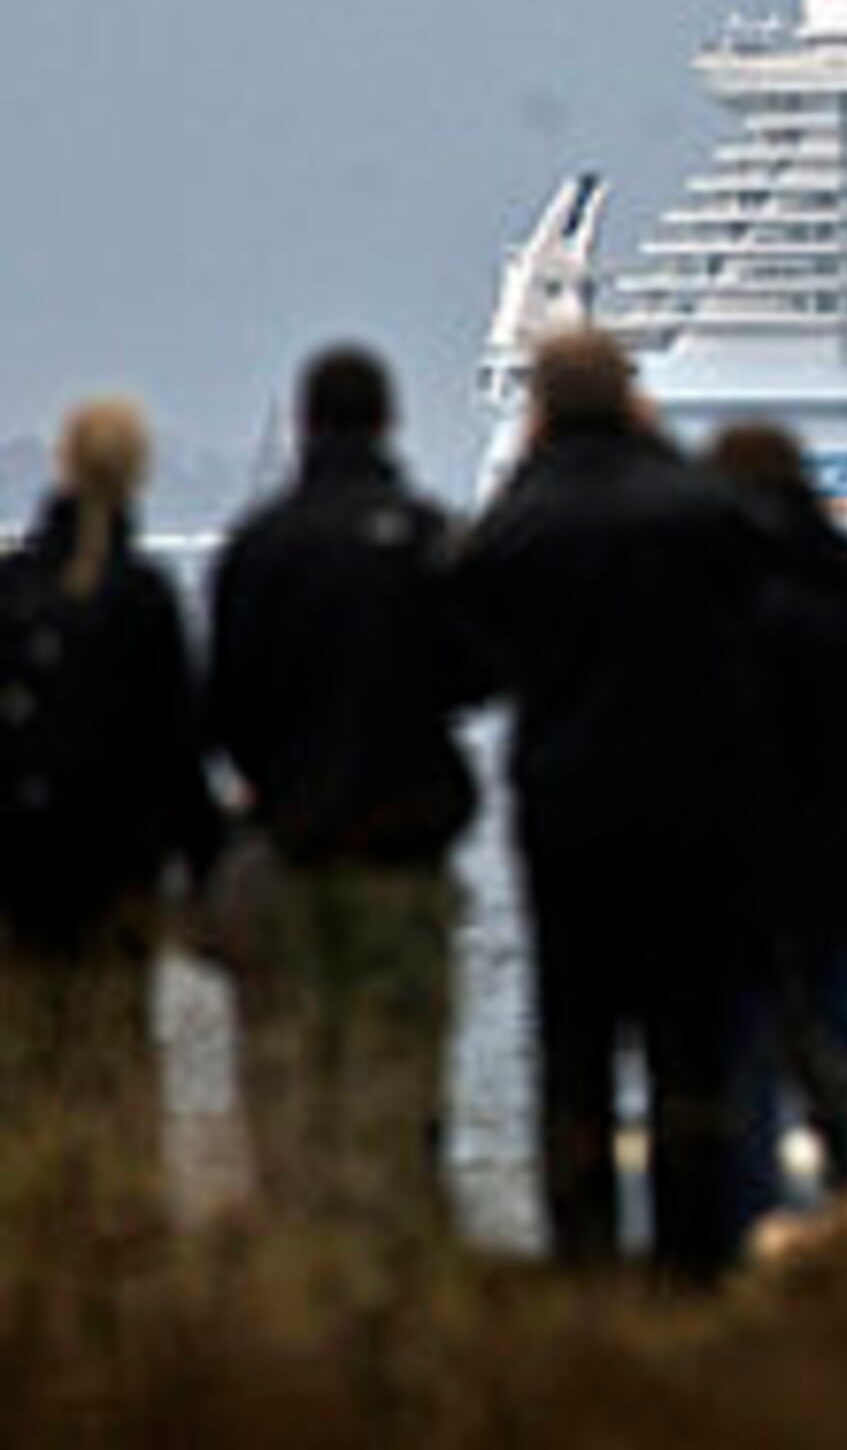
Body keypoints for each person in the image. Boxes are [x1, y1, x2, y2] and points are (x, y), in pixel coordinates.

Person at [450, 330, 784, 1281]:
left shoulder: (522, 521)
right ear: (639, 406)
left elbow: (469, 655)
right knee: (689, 1049)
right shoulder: (700, 509)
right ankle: (693, 1259)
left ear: (539, 413)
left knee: (575, 1050)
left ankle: (582, 1253)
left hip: (567, 826)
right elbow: (769, 604)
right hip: (691, 821)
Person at [206, 345, 486, 1250]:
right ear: (388, 422)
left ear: (304, 423)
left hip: (290, 846)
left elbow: (225, 704)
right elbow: (476, 674)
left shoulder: (255, 549)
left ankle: (297, 1257)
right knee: (402, 1069)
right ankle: (404, 1252)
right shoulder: (430, 537)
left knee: (292, 1073)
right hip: (404, 854)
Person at [0, 397, 220, 1243]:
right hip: (117, 891)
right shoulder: (143, 599)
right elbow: (179, 747)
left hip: (18, 888)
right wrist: (203, 876)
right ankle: (120, 1252)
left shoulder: (12, 590)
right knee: (120, 1072)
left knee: (24, 1076)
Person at [704, 421, 847, 1229]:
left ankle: (741, 1223)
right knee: (841, 1040)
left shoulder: (697, 586)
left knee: (738, 1053)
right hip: (830, 863)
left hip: (721, 870)